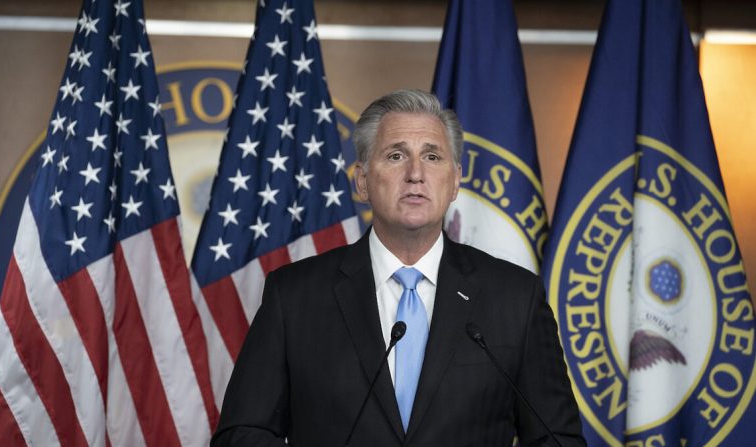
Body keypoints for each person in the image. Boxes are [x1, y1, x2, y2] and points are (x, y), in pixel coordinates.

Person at [210, 89, 585, 446]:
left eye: (433, 157)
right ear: (362, 180)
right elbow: (240, 434)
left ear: (455, 180)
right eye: (395, 156)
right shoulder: (294, 295)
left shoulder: (515, 298)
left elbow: (557, 439)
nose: (416, 174)